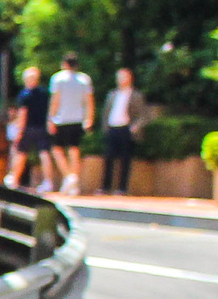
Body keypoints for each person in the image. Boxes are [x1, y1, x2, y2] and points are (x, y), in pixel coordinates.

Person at [48, 55, 95, 194]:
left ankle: (69, 176)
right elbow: (89, 101)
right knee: (74, 149)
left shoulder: (58, 79)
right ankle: (73, 180)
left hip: (61, 119)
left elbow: (55, 100)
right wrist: (89, 118)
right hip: (78, 119)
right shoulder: (84, 79)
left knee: (57, 149)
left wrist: (50, 118)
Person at [100, 67, 149, 195]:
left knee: (125, 159)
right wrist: (105, 128)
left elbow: (143, 116)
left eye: (124, 77)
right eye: (119, 77)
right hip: (112, 128)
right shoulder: (112, 94)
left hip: (126, 129)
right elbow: (105, 113)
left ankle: (122, 188)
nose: (121, 80)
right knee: (108, 158)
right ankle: (105, 187)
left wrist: (135, 127)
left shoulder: (136, 95)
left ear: (130, 79)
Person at [8, 67, 51, 191]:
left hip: (27, 128)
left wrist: (19, 131)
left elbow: (23, 114)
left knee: (21, 153)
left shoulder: (24, 95)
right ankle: (48, 181)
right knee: (44, 153)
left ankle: (14, 179)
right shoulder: (44, 93)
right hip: (42, 127)